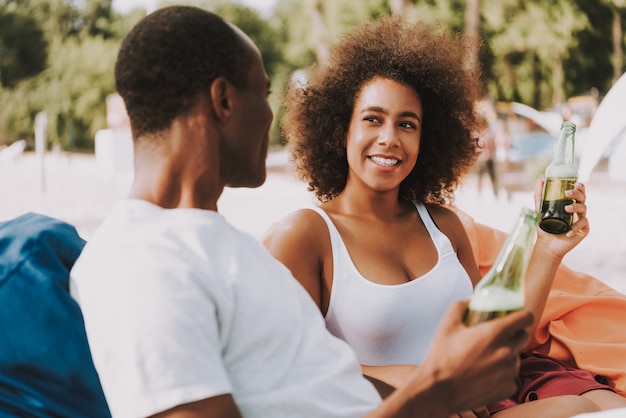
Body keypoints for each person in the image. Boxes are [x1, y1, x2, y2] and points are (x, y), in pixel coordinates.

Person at [68, 6, 534, 418]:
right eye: (263, 92)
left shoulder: (221, 243)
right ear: (224, 101)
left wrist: (428, 388)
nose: (273, 117)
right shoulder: (141, 261)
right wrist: (430, 395)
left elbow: (323, 380)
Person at [263, 16, 626, 418]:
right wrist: (415, 380)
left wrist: (548, 247)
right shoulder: (307, 232)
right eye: (372, 118)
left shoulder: (441, 225)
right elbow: (286, 367)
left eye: (407, 124)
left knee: (603, 405)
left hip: (482, 405)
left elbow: (496, 339)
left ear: (426, 139)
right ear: (340, 128)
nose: (390, 137)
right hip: (395, 409)